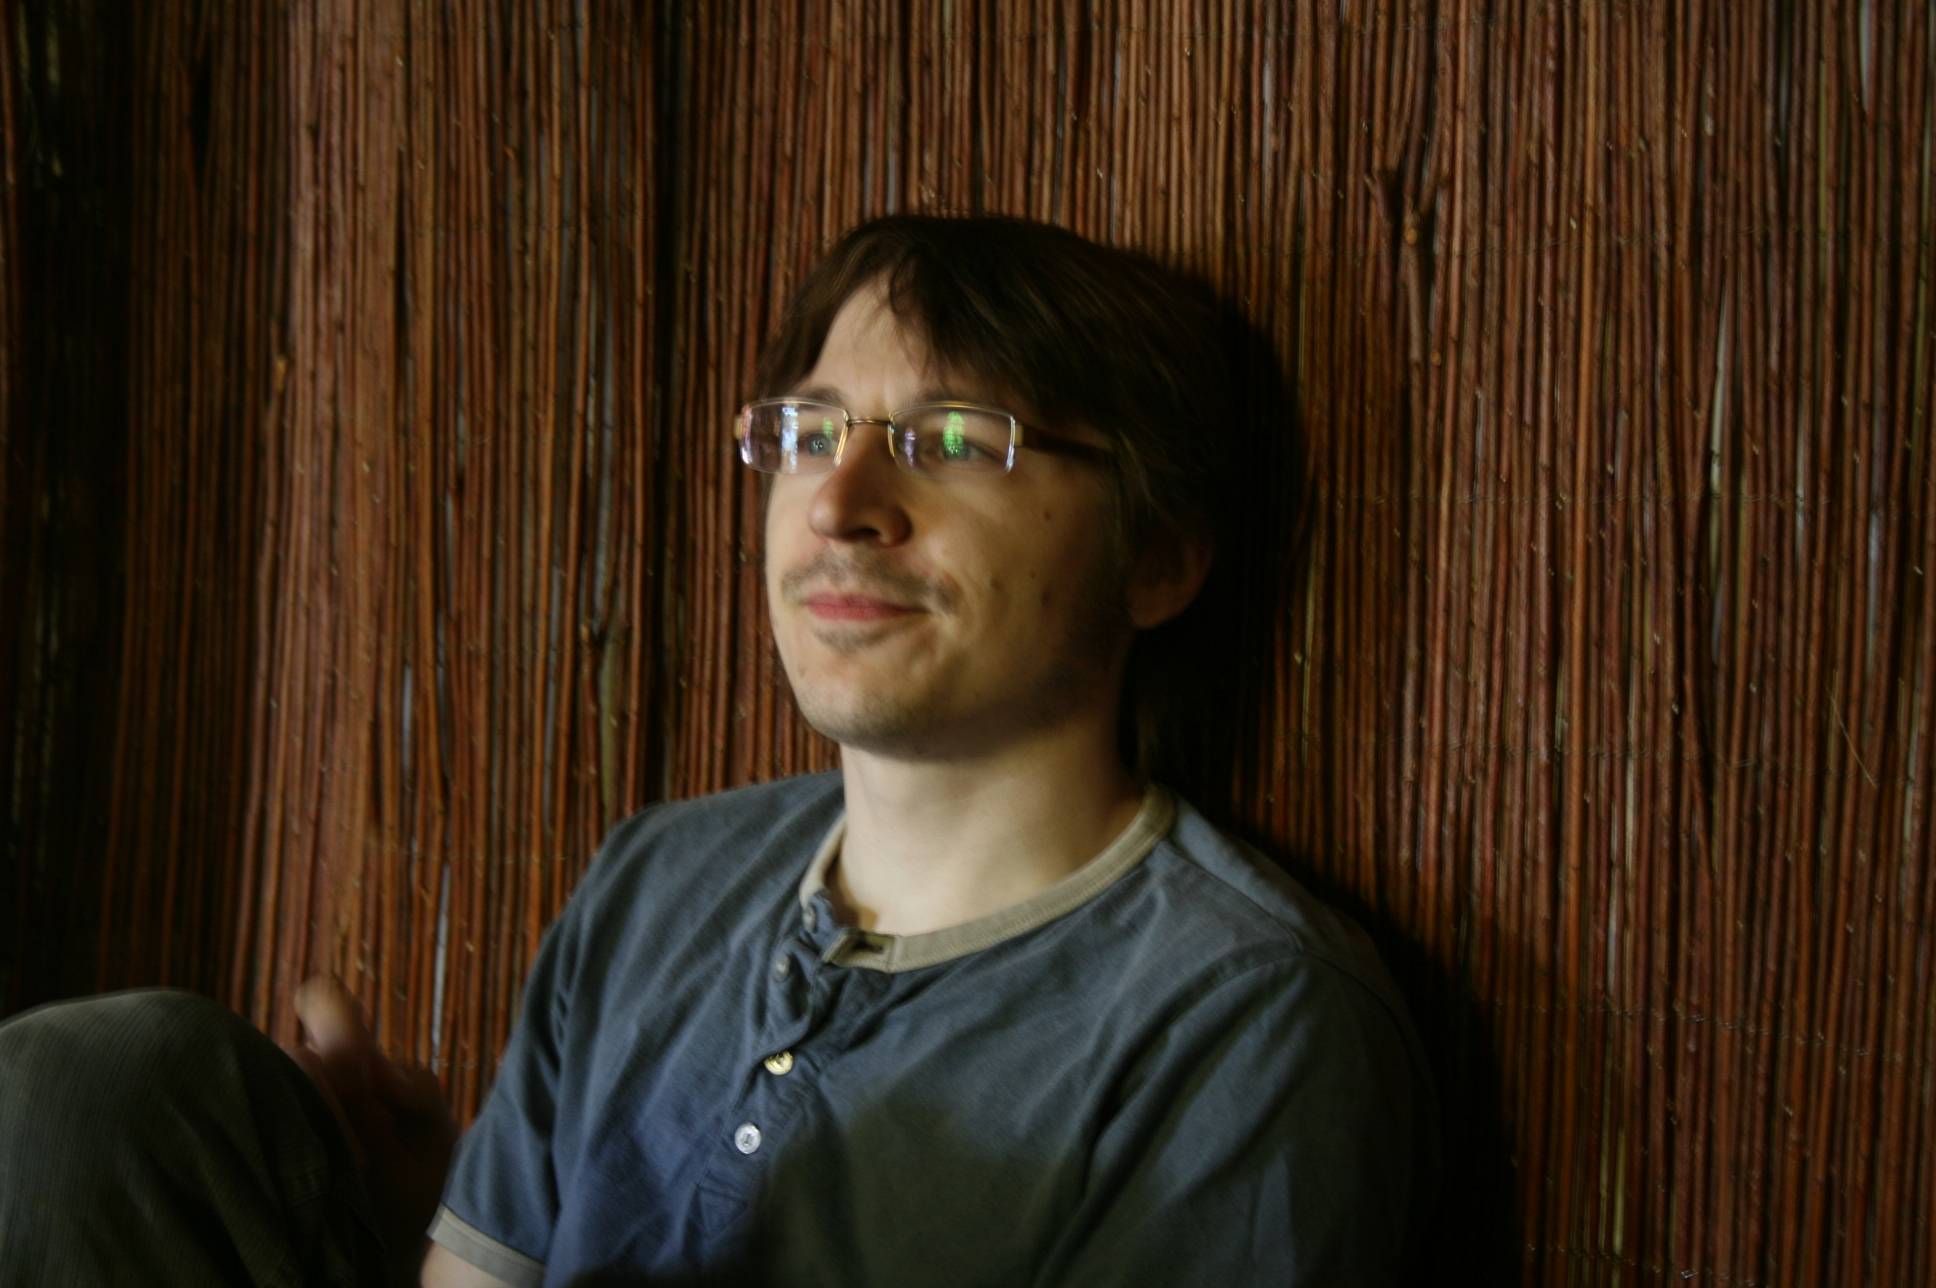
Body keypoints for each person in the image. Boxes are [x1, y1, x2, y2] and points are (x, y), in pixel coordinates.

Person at [0, 215, 1434, 1287]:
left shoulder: (1245, 1025)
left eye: (954, 437)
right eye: (808, 431)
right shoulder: (661, 878)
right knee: (106, 1091)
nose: (842, 502)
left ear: (1160, 556)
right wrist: (412, 1211)